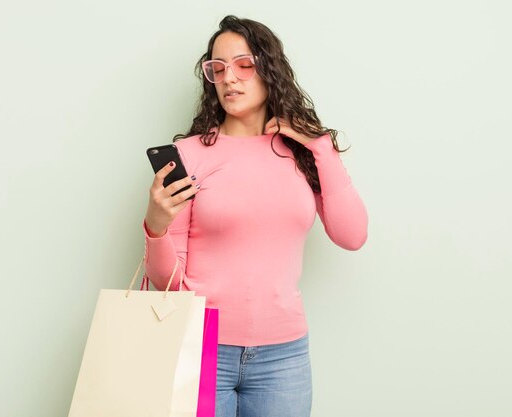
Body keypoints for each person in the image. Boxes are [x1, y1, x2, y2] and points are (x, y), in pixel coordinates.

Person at [142, 15, 368, 417]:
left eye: (244, 65)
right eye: (218, 68)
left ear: (269, 69)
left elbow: (352, 236)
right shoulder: (190, 155)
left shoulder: (302, 152)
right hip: (202, 348)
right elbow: (167, 282)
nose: (230, 78)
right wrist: (156, 229)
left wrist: (322, 149)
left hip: (285, 357)